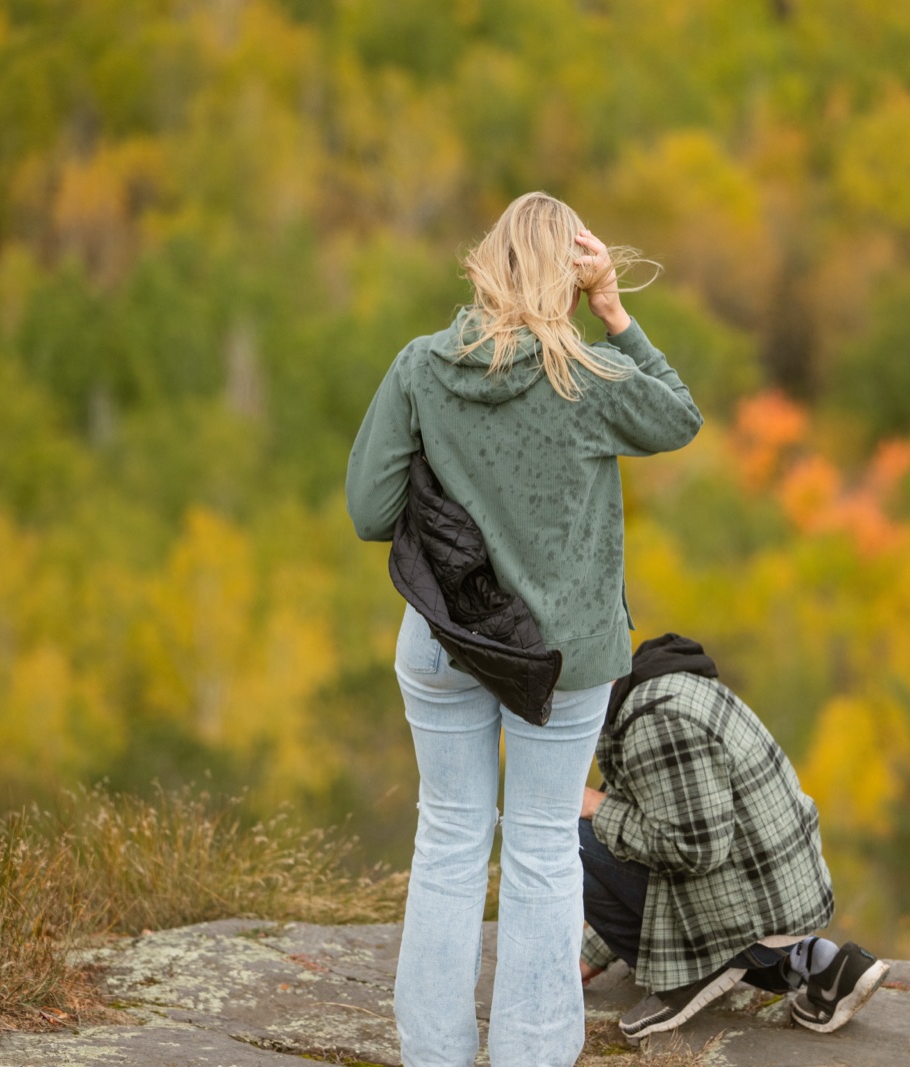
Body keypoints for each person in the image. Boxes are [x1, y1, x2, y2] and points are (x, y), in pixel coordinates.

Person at [345, 192, 703, 1067]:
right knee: (543, 849)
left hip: (445, 639)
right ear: (570, 274)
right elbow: (679, 415)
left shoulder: (422, 367)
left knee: (450, 839)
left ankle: (434, 1055)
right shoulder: (590, 380)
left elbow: (367, 509)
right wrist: (616, 310)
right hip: (563, 656)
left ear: (486, 263)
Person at [578, 633, 889, 1039]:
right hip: (780, 900)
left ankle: (696, 970)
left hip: (752, 902)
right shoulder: (660, 687)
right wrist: (592, 955)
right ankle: (819, 964)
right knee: (605, 827)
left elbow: (694, 848)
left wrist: (596, 806)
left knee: (570, 835)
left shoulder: (653, 721)